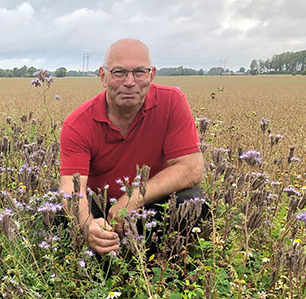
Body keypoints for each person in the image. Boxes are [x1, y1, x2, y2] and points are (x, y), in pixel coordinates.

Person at [59, 38, 205, 255]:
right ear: (103, 76)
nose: (129, 82)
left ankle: (163, 265)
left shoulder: (172, 102)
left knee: (193, 202)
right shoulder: (78, 123)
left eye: (139, 72)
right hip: (99, 210)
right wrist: (88, 225)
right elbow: (72, 187)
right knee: (57, 212)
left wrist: (132, 199)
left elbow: (191, 168)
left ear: (152, 74)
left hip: (150, 206)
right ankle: (98, 260)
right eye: (119, 72)